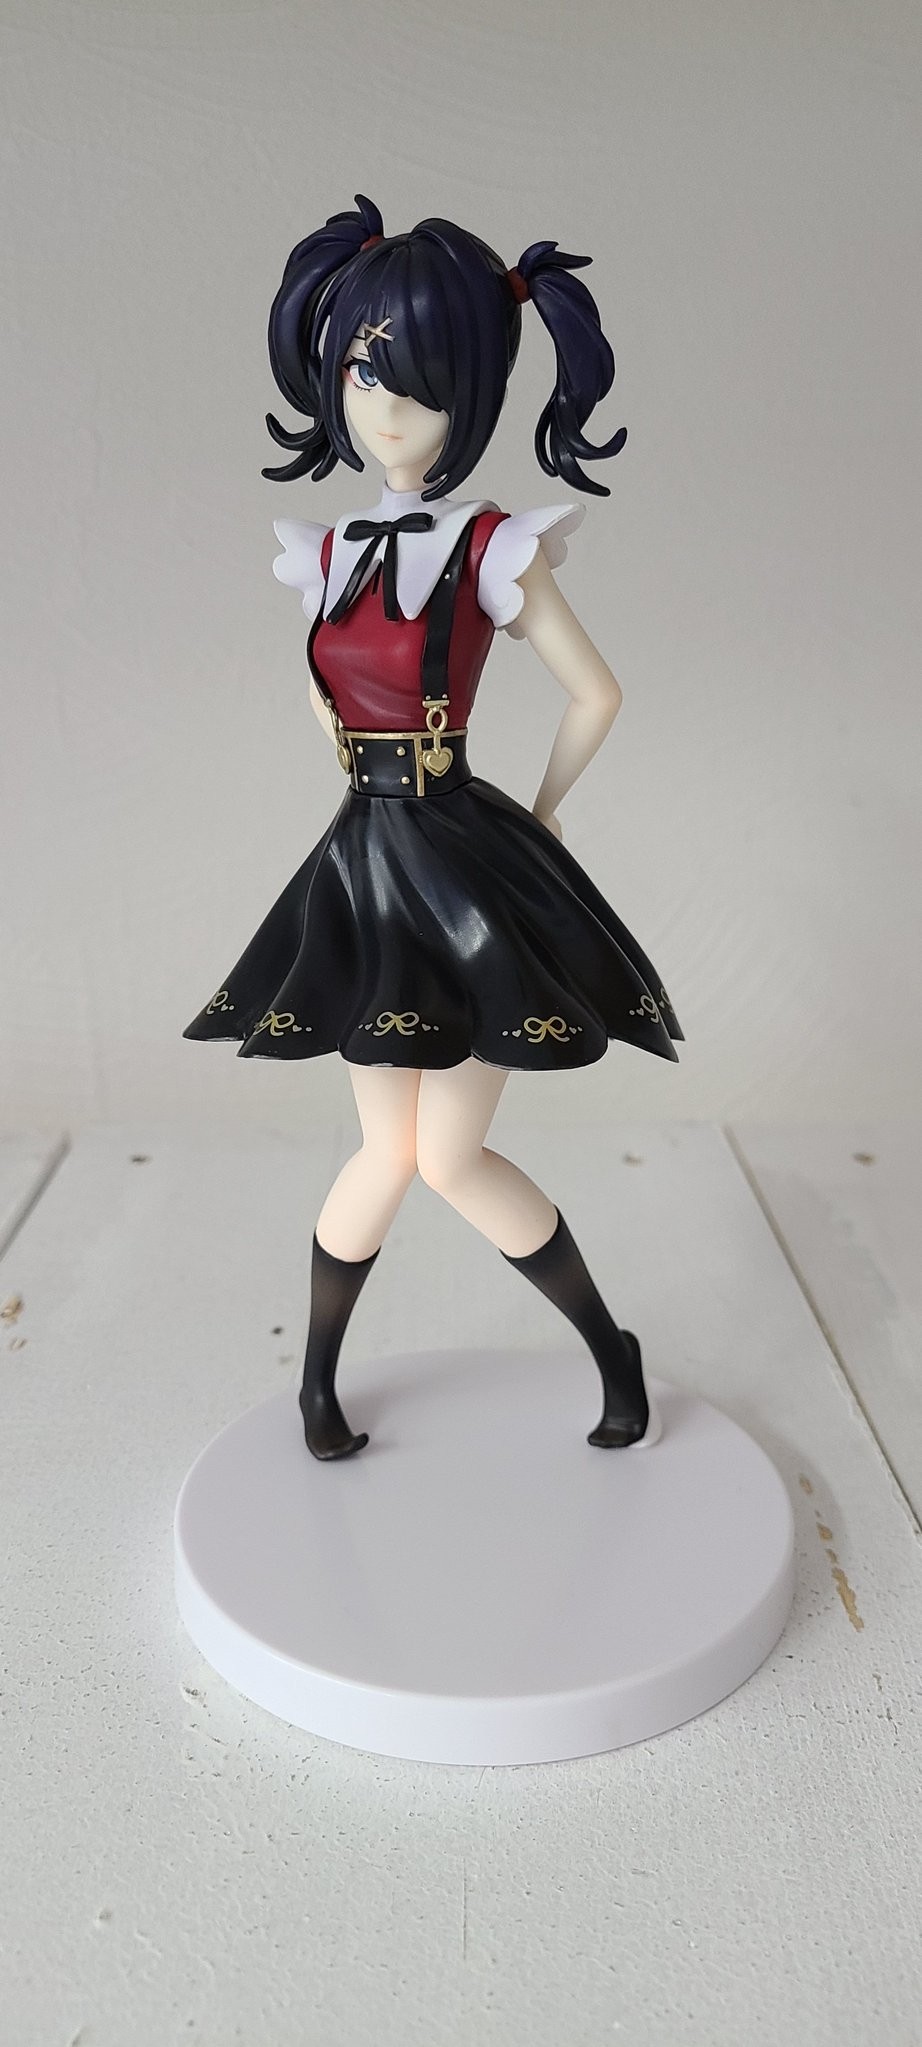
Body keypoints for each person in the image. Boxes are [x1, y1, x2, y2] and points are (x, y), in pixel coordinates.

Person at [184, 195, 684, 1461]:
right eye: (363, 372)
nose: (385, 407)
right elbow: (317, 685)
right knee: (383, 1153)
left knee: (448, 1158)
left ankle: (610, 1349)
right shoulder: (327, 549)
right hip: (365, 861)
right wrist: (354, 763)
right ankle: (317, 1386)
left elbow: (597, 692)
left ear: (471, 391)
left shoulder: (493, 547)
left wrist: (545, 818)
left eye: (413, 380)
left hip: (462, 860)